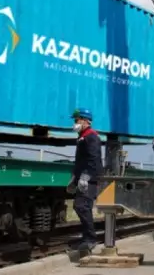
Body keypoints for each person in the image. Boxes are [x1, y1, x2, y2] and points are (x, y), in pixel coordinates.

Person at [67, 108, 102, 252]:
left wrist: (85, 177)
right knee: (80, 206)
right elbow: (81, 161)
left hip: (89, 179)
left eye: (77, 120)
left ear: (85, 121)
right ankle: (87, 238)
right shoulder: (83, 136)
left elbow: (93, 159)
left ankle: (90, 240)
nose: (75, 123)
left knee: (82, 206)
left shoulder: (91, 136)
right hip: (83, 178)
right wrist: (74, 179)